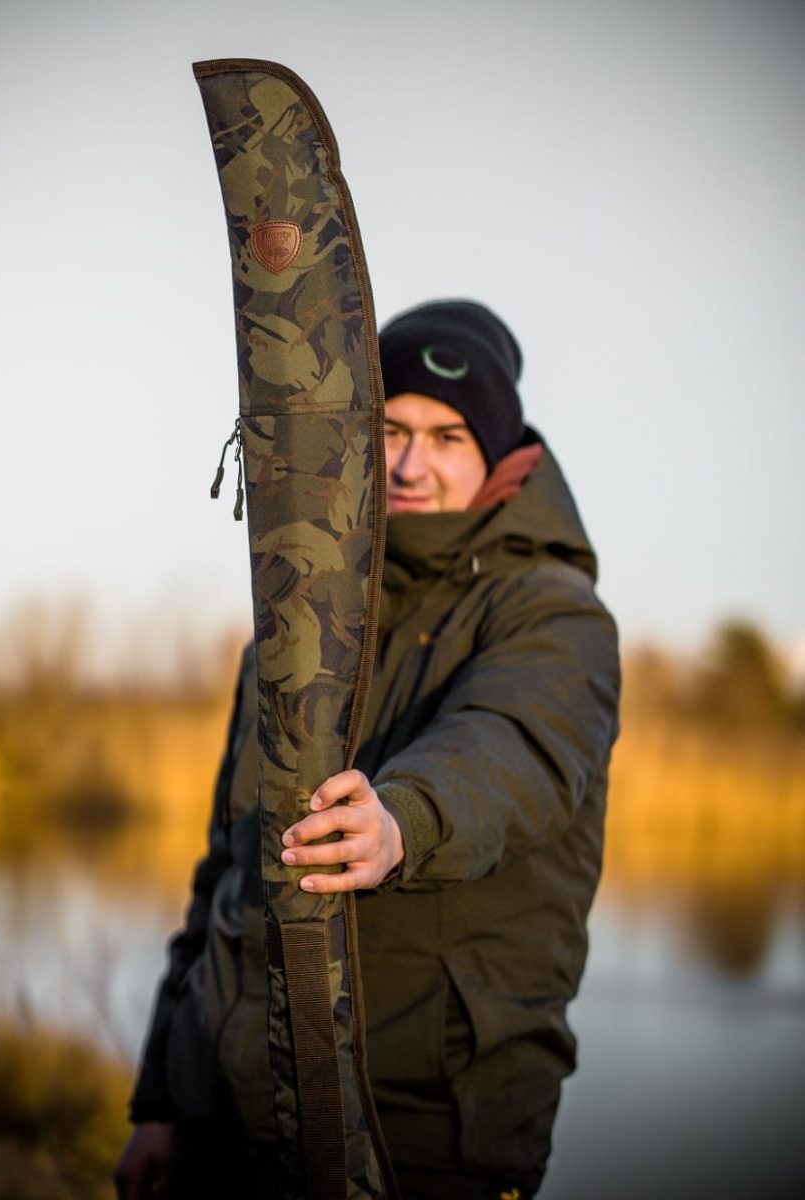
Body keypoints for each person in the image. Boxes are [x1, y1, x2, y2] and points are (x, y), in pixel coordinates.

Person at [115, 300, 620, 1200]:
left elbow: (515, 746)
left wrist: (402, 822)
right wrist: (162, 1102)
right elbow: (221, 876)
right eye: (390, 430)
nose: (411, 464)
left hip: (419, 1137)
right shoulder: (291, 621)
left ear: (502, 456)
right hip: (221, 1124)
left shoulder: (553, 613)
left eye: (448, 437)